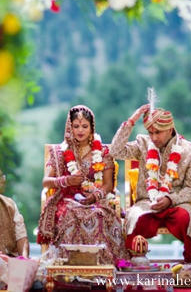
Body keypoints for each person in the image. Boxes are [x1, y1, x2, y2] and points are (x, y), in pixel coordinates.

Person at [110, 103, 191, 270]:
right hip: (146, 203)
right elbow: (115, 151)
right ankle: (132, 267)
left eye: (158, 132)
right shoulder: (143, 144)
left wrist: (170, 199)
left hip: (177, 204)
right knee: (135, 219)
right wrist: (131, 121)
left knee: (187, 218)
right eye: (150, 132)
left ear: (170, 128)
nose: (153, 137)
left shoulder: (190, 151)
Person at [37, 104, 129, 265]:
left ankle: (102, 265)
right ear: (69, 127)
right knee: (71, 215)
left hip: (96, 198)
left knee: (99, 215)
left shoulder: (102, 152)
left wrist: (96, 196)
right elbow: (46, 181)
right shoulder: (59, 151)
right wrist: (66, 181)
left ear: (91, 128)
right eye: (76, 126)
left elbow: (107, 184)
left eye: (85, 126)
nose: (80, 130)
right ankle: (69, 265)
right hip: (66, 198)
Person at [0, 164, 30, 258]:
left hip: (12, 261)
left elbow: (21, 237)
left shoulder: (9, 204)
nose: (4, 180)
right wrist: (5, 261)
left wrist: (24, 260)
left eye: (3, 176)